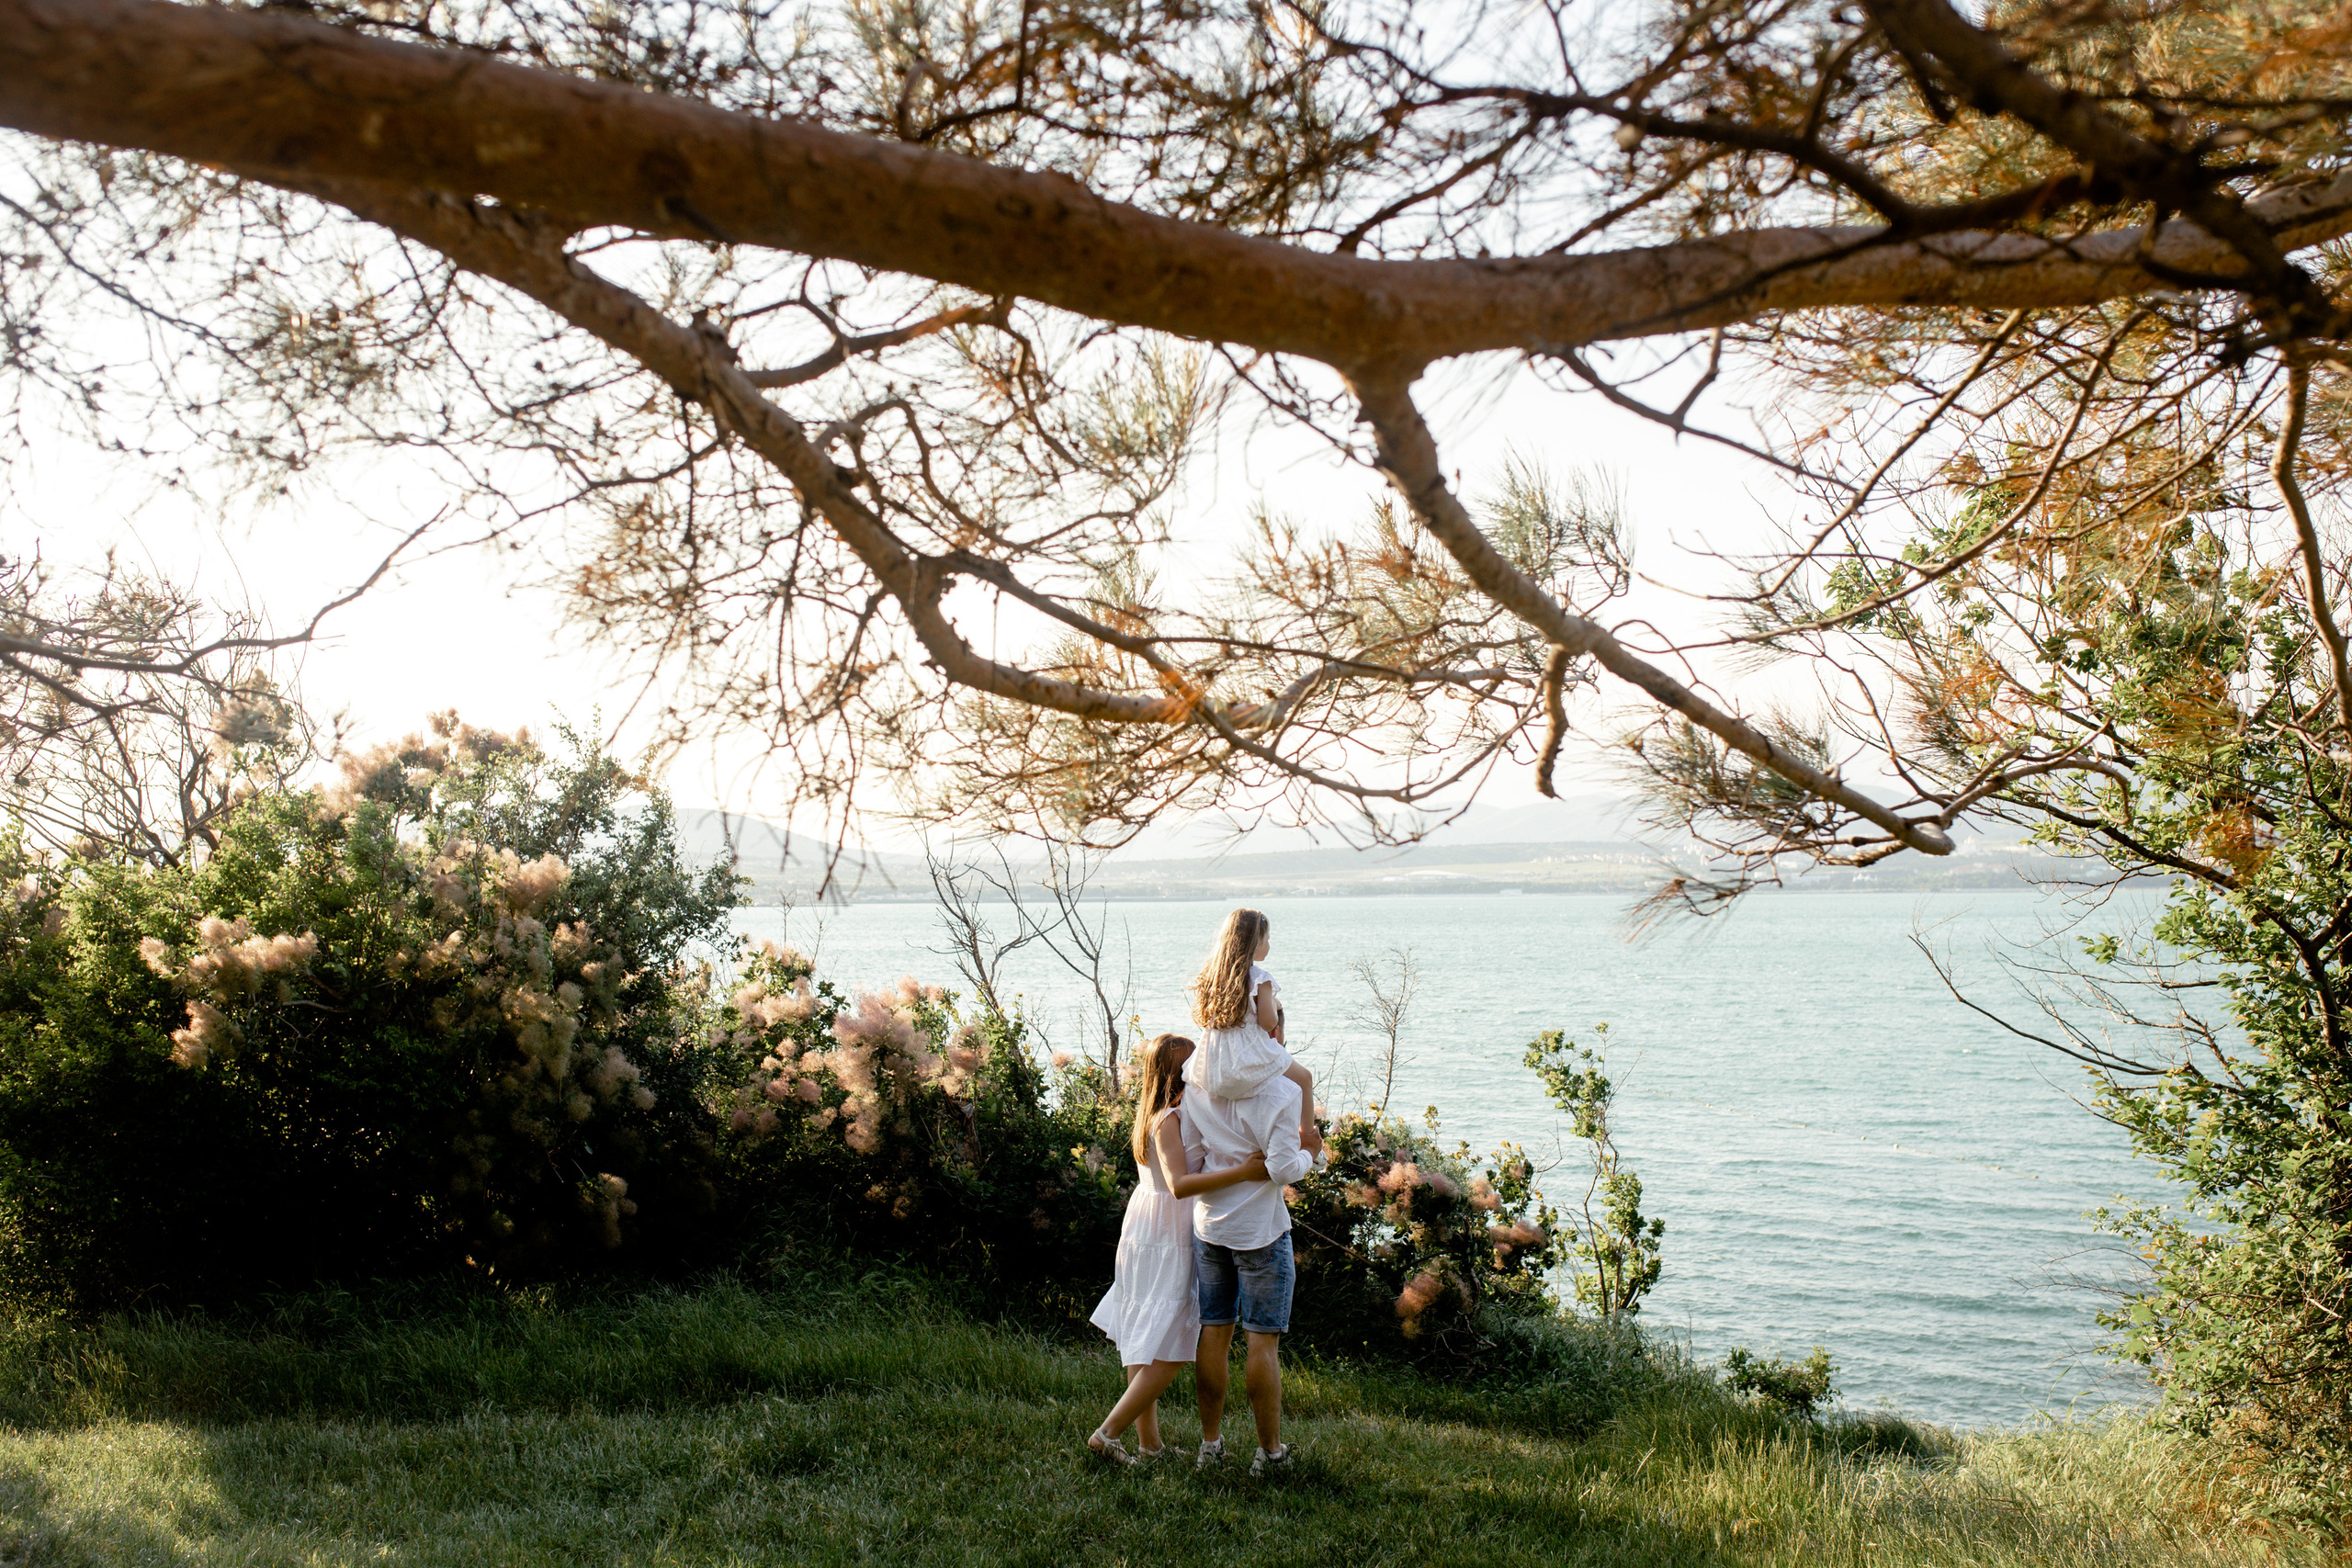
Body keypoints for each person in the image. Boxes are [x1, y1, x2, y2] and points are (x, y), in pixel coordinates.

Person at [1184, 909, 1326, 1476]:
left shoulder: (1198, 1081)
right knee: (1262, 1343)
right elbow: (1283, 1170)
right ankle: (1269, 1455)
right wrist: (1311, 1152)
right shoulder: (1278, 1094)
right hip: (1260, 1232)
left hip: (1209, 1226)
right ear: (1273, 1029)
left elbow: (1194, 1154)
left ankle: (1210, 1446)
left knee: (1213, 1335)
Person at [1085, 1032, 1271, 1464]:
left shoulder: (1160, 1113)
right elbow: (1181, 1185)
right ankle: (1108, 1433)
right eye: (1194, 1066)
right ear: (1178, 1073)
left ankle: (1150, 1445)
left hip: (1147, 1225)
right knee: (1172, 1341)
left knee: (1146, 1334)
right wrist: (1243, 1173)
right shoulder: (1168, 1118)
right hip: (1167, 1228)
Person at [1184, 908, 1319, 1155]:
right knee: (1304, 1079)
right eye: (1267, 940)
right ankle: (1308, 1139)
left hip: (1215, 1063)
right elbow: (1268, 1023)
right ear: (1255, 944)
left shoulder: (1213, 977)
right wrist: (1273, 1004)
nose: (1269, 945)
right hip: (1249, 1056)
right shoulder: (1259, 978)